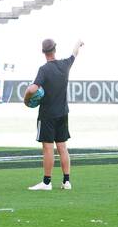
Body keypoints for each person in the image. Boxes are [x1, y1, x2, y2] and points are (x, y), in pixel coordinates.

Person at [25, 38, 83, 191]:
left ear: (43, 52)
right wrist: (78, 43)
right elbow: (74, 54)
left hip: (47, 115)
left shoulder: (44, 69)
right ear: (55, 49)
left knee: (48, 148)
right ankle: (66, 181)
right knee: (62, 147)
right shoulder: (65, 65)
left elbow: (32, 89)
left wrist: (26, 99)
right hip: (63, 112)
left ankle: (46, 182)